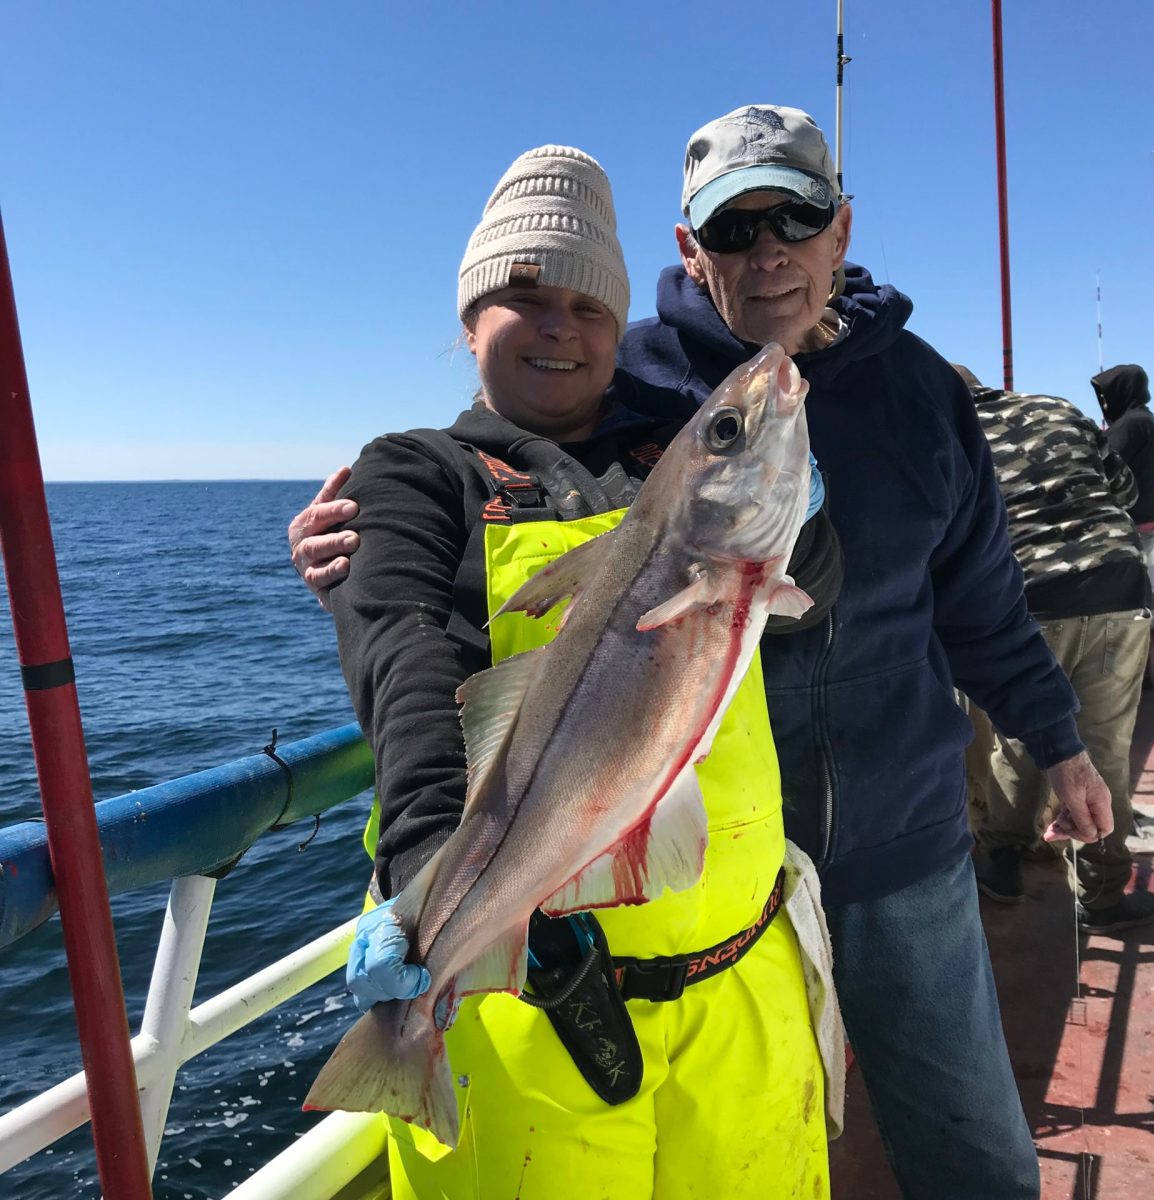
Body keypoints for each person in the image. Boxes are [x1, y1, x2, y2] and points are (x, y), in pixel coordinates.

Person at [292, 107, 1116, 1200]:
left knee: (975, 1155)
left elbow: (976, 602)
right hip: (684, 900)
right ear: (692, 251)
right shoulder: (625, 394)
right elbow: (433, 619)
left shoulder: (918, 393)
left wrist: (1057, 744)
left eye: (797, 217)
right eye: (734, 229)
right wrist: (360, 564)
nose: (768, 250)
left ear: (841, 229)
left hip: (895, 842)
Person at [316, 144, 845, 1200]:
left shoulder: (668, 449)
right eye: (526, 296)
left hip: (746, 991)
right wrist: (427, 871)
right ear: (471, 320)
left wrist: (793, 503)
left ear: (622, 328)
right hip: (534, 1008)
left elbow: (810, 605)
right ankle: (411, 1056)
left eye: (590, 307)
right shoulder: (417, 475)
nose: (561, 326)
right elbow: (410, 668)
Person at [957, 367, 1154, 933]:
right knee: (1105, 746)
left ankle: (1001, 863)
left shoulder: (945, 429)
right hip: (1115, 584)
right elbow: (1123, 489)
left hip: (1026, 597)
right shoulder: (1056, 406)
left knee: (1024, 735)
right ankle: (1099, 897)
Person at [1091, 363, 1154, 559]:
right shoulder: (1145, 419)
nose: (1104, 404)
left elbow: (1098, 463)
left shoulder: (1131, 423)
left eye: (1106, 398)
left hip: (1131, 525)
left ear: (1121, 392)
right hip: (1146, 521)